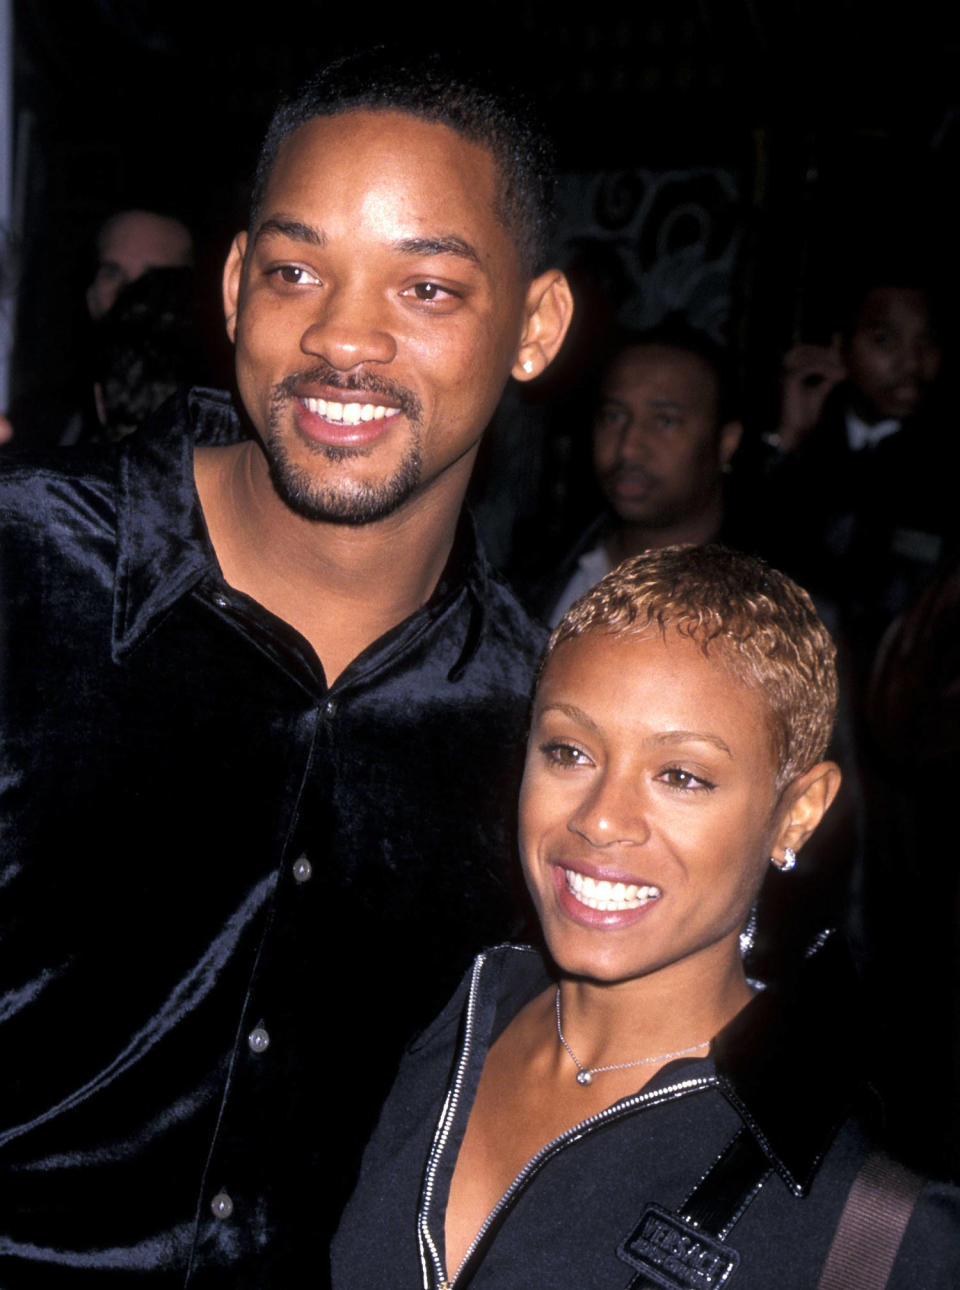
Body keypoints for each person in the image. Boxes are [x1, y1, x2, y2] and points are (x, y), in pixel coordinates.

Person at [0, 49, 572, 1285]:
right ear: (232, 287)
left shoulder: (544, 732)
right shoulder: (21, 569)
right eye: (296, 270)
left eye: (426, 287)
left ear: (536, 328)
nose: (342, 337)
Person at [332, 545, 960, 1289]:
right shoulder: (433, 1013)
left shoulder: (872, 1226)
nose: (601, 819)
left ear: (797, 814)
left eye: (680, 776)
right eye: (568, 752)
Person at [521, 324, 744, 624]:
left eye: (665, 421)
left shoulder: (767, 604)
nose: (628, 448)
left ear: (726, 443)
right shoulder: (540, 573)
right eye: (614, 417)